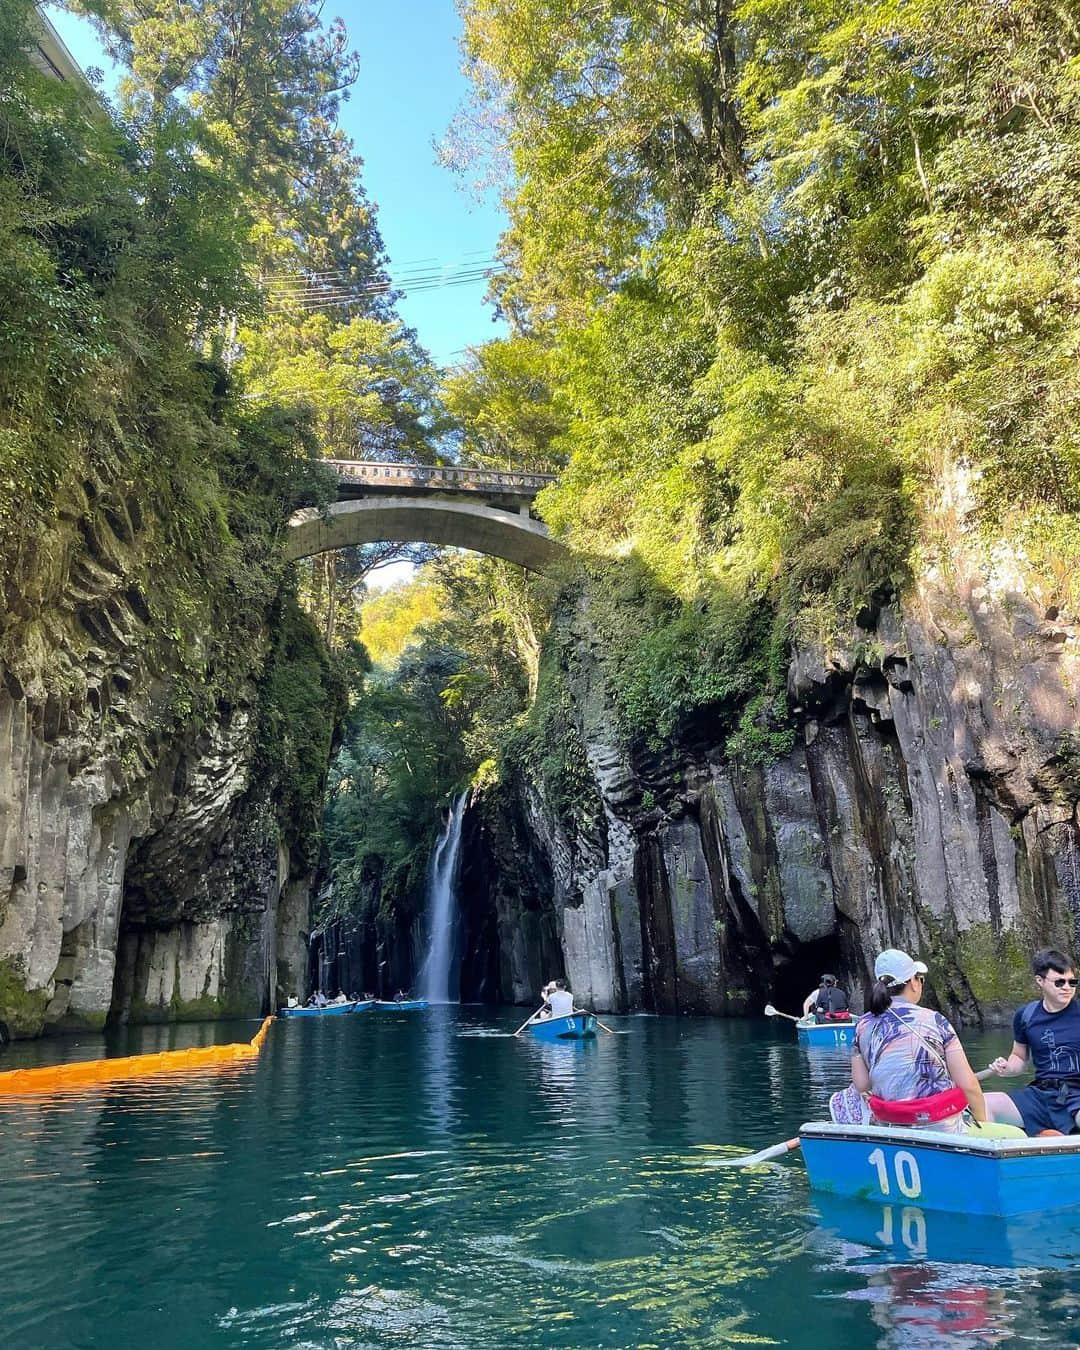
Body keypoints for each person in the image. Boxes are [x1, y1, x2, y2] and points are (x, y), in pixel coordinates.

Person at [851, 949, 987, 1133]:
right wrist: (983, 1125)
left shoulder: (862, 1025)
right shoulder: (935, 1021)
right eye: (919, 978)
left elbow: (862, 1084)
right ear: (913, 983)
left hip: (891, 1128)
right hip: (941, 1128)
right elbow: (968, 1085)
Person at [984, 947, 1080, 1135]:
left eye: (1072, 982)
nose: (1067, 987)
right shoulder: (1025, 1015)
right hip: (1042, 1094)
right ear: (1040, 981)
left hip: (1077, 1094)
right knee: (983, 1103)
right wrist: (1007, 1068)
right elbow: (1019, 1057)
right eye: (1060, 982)